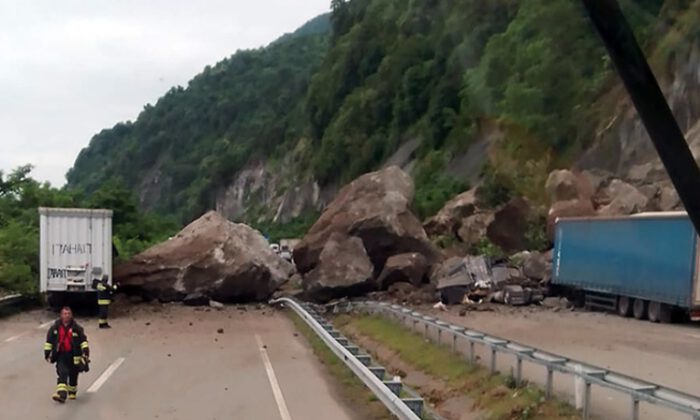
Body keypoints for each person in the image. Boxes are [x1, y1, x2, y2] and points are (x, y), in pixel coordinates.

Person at [44, 307, 90, 403]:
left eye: (68, 313)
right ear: (61, 315)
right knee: (62, 372)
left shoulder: (77, 328)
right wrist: (47, 354)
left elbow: (83, 341)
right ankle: (62, 394)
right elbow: (49, 341)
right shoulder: (55, 328)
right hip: (61, 354)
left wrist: (85, 353)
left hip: (74, 356)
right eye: (65, 314)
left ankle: (72, 392)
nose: (67, 315)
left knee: (73, 374)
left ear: (71, 315)